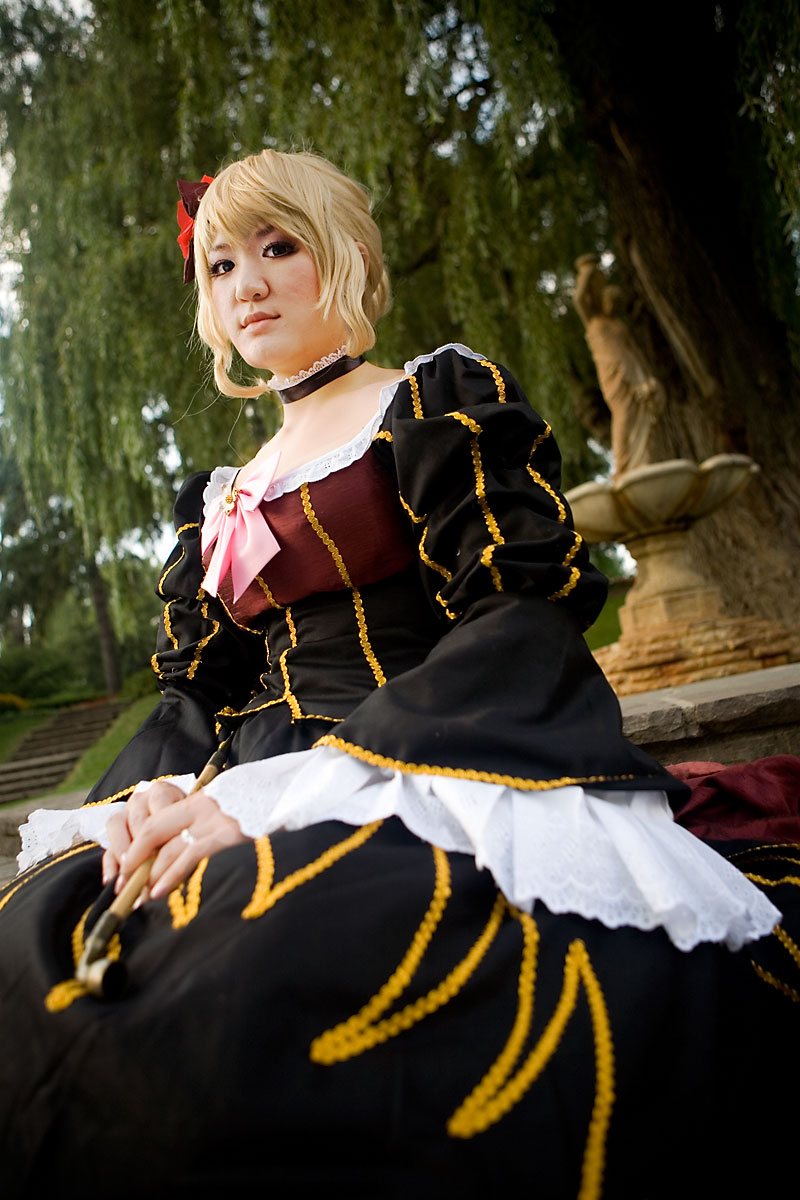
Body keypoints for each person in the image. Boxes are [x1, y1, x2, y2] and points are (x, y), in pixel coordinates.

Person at [0, 149, 797, 1199]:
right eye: (221, 264)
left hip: (427, 756)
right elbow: (196, 690)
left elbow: (516, 611)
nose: (246, 284)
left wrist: (309, 787)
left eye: (278, 247)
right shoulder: (220, 496)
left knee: (257, 966)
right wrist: (147, 794)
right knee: (41, 937)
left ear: (347, 257)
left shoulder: (432, 401)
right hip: (242, 776)